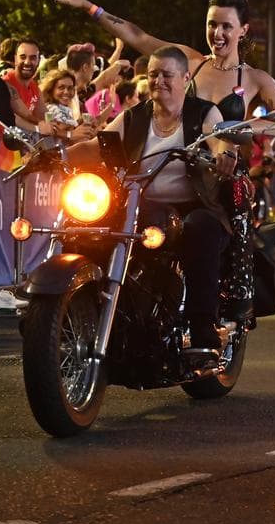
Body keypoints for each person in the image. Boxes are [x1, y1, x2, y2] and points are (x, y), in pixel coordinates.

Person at [52, 0, 275, 325]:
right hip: (163, 167)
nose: (218, 34)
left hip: (218, 177)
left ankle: (223, 314)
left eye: (227, 26)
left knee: (216, 233)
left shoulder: (255, 79)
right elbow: (137, 36)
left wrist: (245, 129)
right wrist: (89, 7)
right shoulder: (188, 62)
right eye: (212, 24)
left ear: (243, 31)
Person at [67, 46, 237, 363]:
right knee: (88, 227)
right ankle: (69, 309)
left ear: (185, 79)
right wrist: (56, 154)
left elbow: (218, 137)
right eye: (153, 74)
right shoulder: (134, 116)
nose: (159, 81)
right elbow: (97, 146)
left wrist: (223, 153)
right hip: (139, 206)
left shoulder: (203, 112)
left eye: (167, 75)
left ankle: (202, 326)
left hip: (192, 206)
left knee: (201, 231)